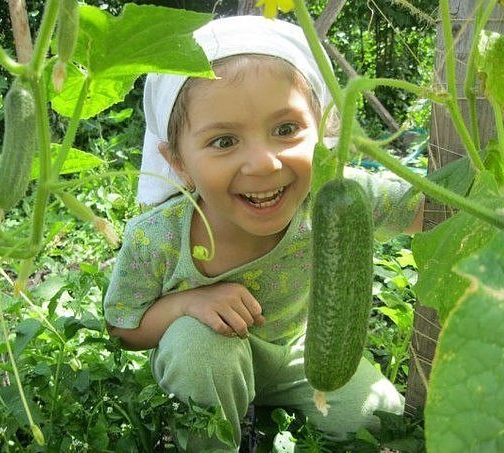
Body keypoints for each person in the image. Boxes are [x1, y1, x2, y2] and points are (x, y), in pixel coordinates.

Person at [104, 15, 423, 452]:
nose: (264, 164)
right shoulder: (155, 237)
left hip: (302, 354)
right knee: (198, 348)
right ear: (178, 162)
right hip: (209, 355)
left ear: (323, 132)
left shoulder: (334, 195)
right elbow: (123, 328)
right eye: (224, 141)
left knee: (380, 422)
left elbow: (430, 209)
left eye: (286, 130)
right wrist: (185, 303)